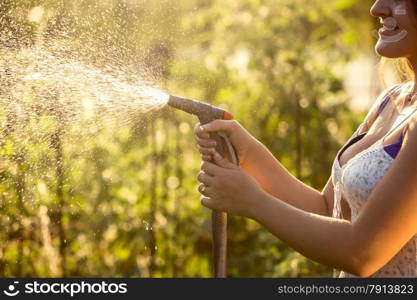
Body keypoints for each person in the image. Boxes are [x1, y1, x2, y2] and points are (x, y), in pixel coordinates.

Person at [194, 0, 417, 278]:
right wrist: (249, 153)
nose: (376, 8)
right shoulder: (392, 101)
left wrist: (251, 201)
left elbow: (362, 252)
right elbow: (327, 211)